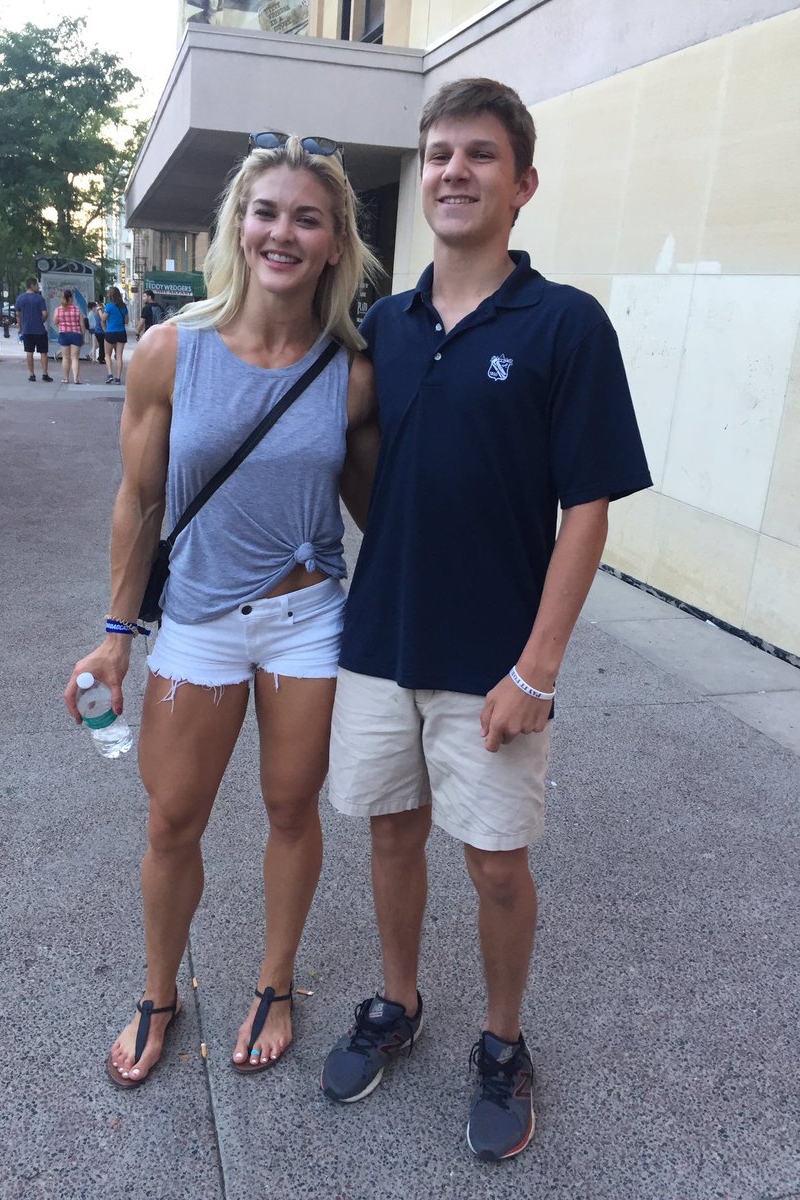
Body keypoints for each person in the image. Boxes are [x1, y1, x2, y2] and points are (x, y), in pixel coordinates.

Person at [319, 78, 653, 1162]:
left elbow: (587, 507)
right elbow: (362, 460)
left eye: (478, 154)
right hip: (379, 641)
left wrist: (538, 670)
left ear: (524, 183)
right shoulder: (385, 323)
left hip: (496, 660)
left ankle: (504, 1042)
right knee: (390, 835)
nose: (453, 170)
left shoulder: (564, 323)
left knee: (498, 864)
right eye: (439, 154)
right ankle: (400, 1002)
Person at [64, 132, 379, 1089]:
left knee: (291, 807)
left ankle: (275, 982)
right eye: (267, 212)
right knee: (172, 821)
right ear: (239, 227)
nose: (283, 232)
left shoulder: (350, 371)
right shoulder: (171, 351)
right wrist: (118, 636)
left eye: (307, 218)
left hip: (307, 620)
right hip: (198, 619)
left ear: (334, 244)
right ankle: (161, 991)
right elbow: (140, 501)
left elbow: (381, 512)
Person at [15, 277, 52, 382]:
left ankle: (32, 374)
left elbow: (18, 315)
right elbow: (45, 313)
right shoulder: (39, 299)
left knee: (29, 352)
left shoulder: (20, 298)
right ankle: (45, 374)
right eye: (36, 285)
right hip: (39, 330)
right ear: (32, 285)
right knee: (43, 352)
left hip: (27, 330)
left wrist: (20, 328)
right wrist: (41, 321)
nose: (38, 287)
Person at [54, 288, 86, 384]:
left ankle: (65, 378)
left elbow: (55, 322)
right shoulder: (77, 309)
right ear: (71, 298)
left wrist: (62, 324)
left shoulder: (58, 310)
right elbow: (82, 324)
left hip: (64, 334)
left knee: (65, 358)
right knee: (75, 358)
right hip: (76, 334)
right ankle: (76, 378)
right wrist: (82, 336)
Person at [100, 285, 129, 384]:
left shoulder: (109, 306)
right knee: (119, 356)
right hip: (121, 332)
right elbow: (126, 321)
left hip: (110, 332)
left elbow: (103, 318)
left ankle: (110, 374)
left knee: (107, 355)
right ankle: (118, 378)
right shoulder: (123, 306)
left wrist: (100, 311)